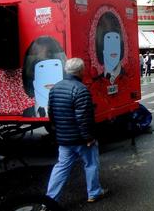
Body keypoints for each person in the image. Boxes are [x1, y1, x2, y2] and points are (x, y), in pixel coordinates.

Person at [46, 58, 107, 203]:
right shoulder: (81, 89)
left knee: (61, 167)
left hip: (64, 138)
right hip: (81, 139)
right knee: (91, 164)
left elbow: (51, 113)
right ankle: (94, 192)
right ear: (81, 71)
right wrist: (89, 138)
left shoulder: (55, 88)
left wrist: (58, 130)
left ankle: (49, 199)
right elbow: (83, 118)